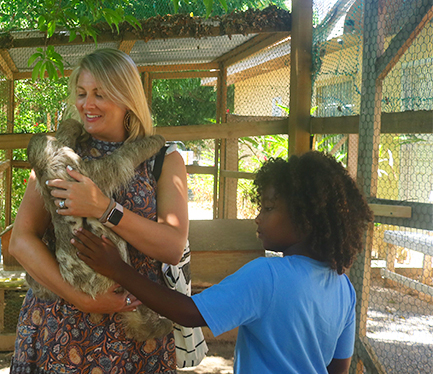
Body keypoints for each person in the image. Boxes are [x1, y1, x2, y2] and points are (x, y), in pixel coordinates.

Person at [73, 150, 374, 374]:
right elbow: (338, 369)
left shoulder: (268, 276)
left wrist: (118, 269)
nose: (258, 217)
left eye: (268, 208)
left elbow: (189, 313)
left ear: (306, 219)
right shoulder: (344, 289)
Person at [8, 48, 190, 373]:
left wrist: (105, 208)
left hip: (136, 328)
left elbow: (172, 247)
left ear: (126, 98)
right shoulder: (59, 156)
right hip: (63, 326)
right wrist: (80, 298)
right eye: (81, 93)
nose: (86, 105)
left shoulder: (163, 159)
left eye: (99, 94)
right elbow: (21, 240)